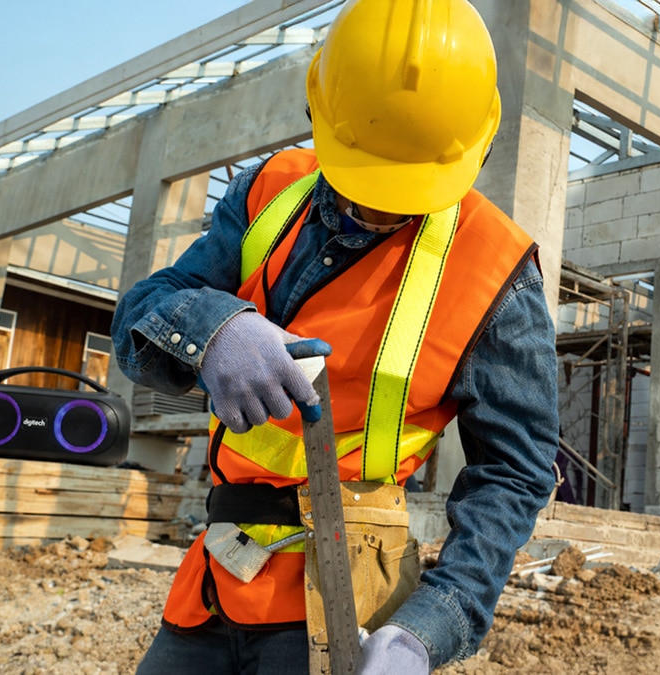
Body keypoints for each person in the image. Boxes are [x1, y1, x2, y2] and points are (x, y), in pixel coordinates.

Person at [109, 0, 560, 673]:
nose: (378, 205)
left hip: (347, 605)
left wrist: (430, 627)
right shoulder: (270, 190)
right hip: (214, 583)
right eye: (364, 174)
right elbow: (138, 319)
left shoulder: (495, 272)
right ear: (320, 111)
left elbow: (516, 472)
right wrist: (211, 329)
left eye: (404, 189)